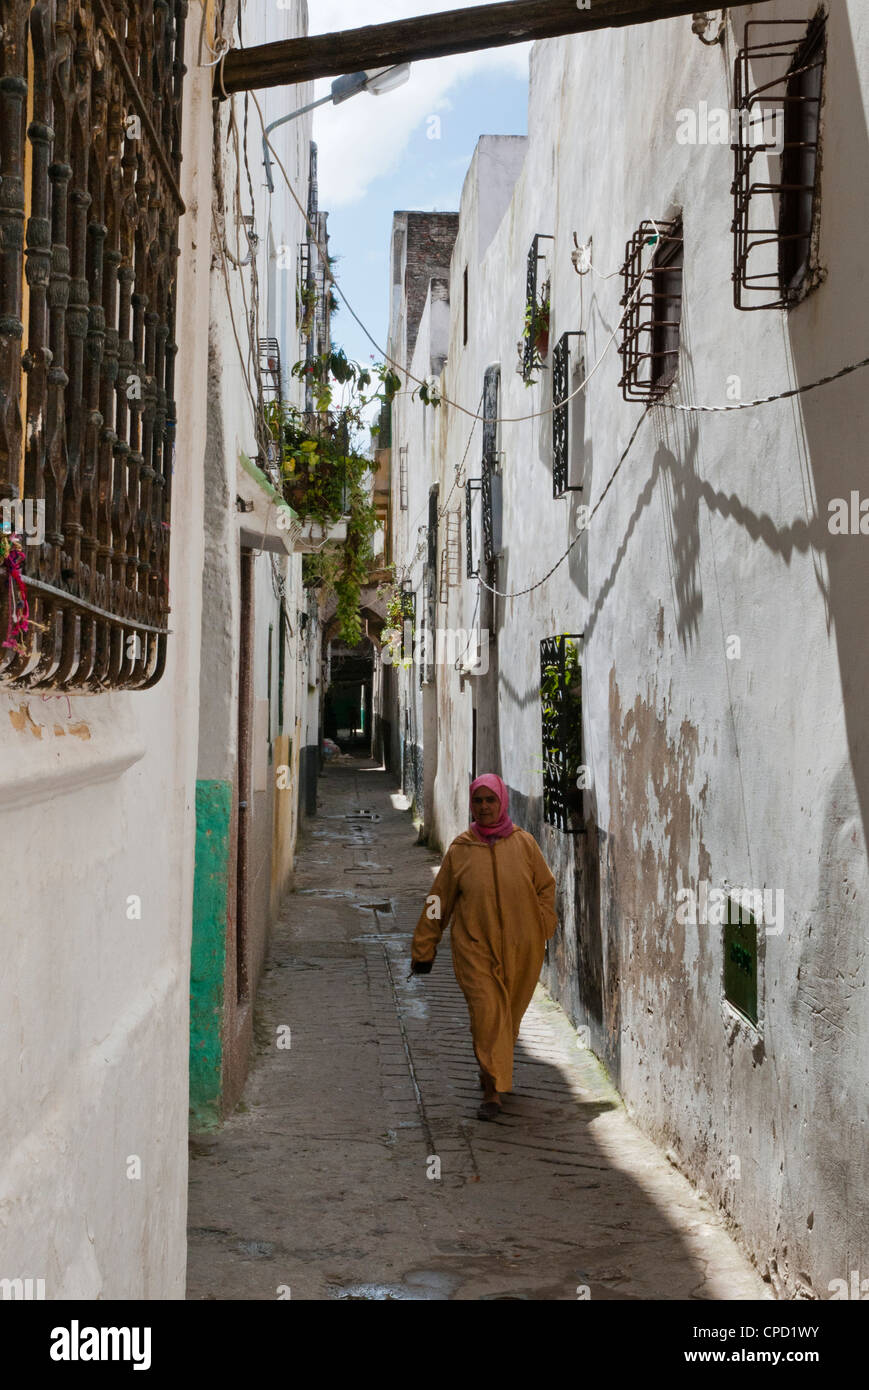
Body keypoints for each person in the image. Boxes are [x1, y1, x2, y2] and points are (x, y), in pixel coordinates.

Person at [410, 773, 558, 1120]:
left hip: (522, 949)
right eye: (478, 801)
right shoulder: (461, 850)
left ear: (502, 802)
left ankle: (490, 1069)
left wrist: (542, 923)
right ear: (471, 805)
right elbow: (438, 901)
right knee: (488, 1013)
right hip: (475, 948)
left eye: (491, 800)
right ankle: (492, 1092)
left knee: (509, 1016)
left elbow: (545, 886)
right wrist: (423, 948)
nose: (484, 807)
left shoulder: (524, 844)